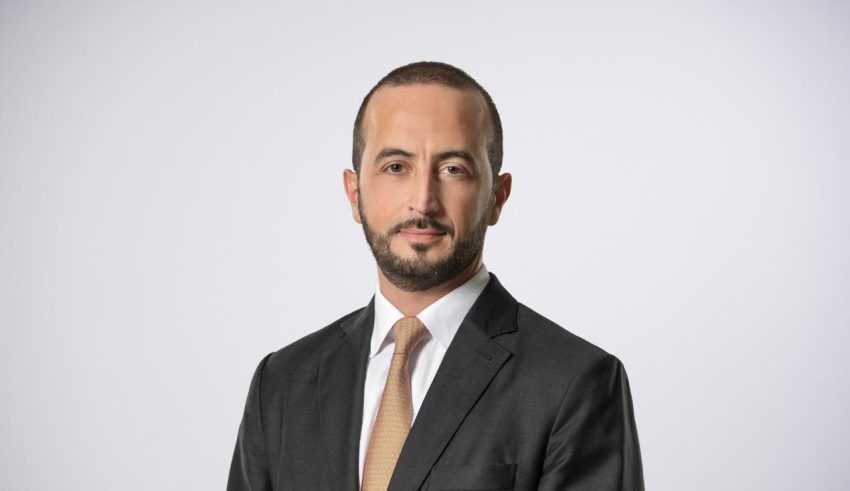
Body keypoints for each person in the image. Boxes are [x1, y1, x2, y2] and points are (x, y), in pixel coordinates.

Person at [227, 61, 644, 491]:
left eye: (453, 169)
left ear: (497, 197)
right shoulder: (281, 382)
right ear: (354, 194)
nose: (423, 201)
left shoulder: (573, 382)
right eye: (396, 167)